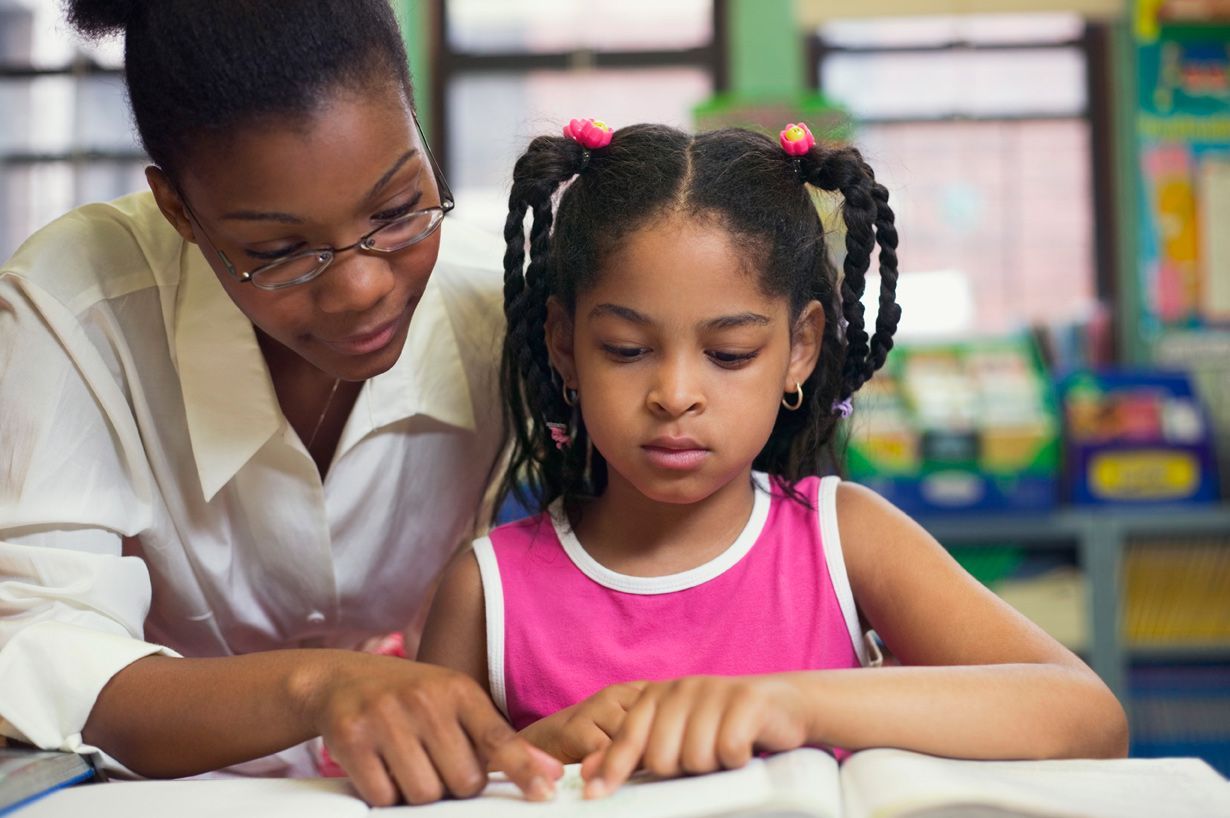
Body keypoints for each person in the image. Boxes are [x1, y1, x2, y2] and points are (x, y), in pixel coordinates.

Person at [418, 119, 1129, 799]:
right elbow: (427, 788)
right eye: (627, 350)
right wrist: (537, 752)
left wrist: (791, 702)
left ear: (799, 349)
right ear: (564, 344)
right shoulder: (486, 591)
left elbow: (1088, 717)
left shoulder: (846, 538)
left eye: (729, 355)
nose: (675, 395)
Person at [0, 0, 563, 806]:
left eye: (399, 209)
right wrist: (320, 689)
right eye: (280, 252)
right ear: (179, 212)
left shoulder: (497, 311)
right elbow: (38, 651)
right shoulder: (75, 310)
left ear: (421, 132)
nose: (363, 287)